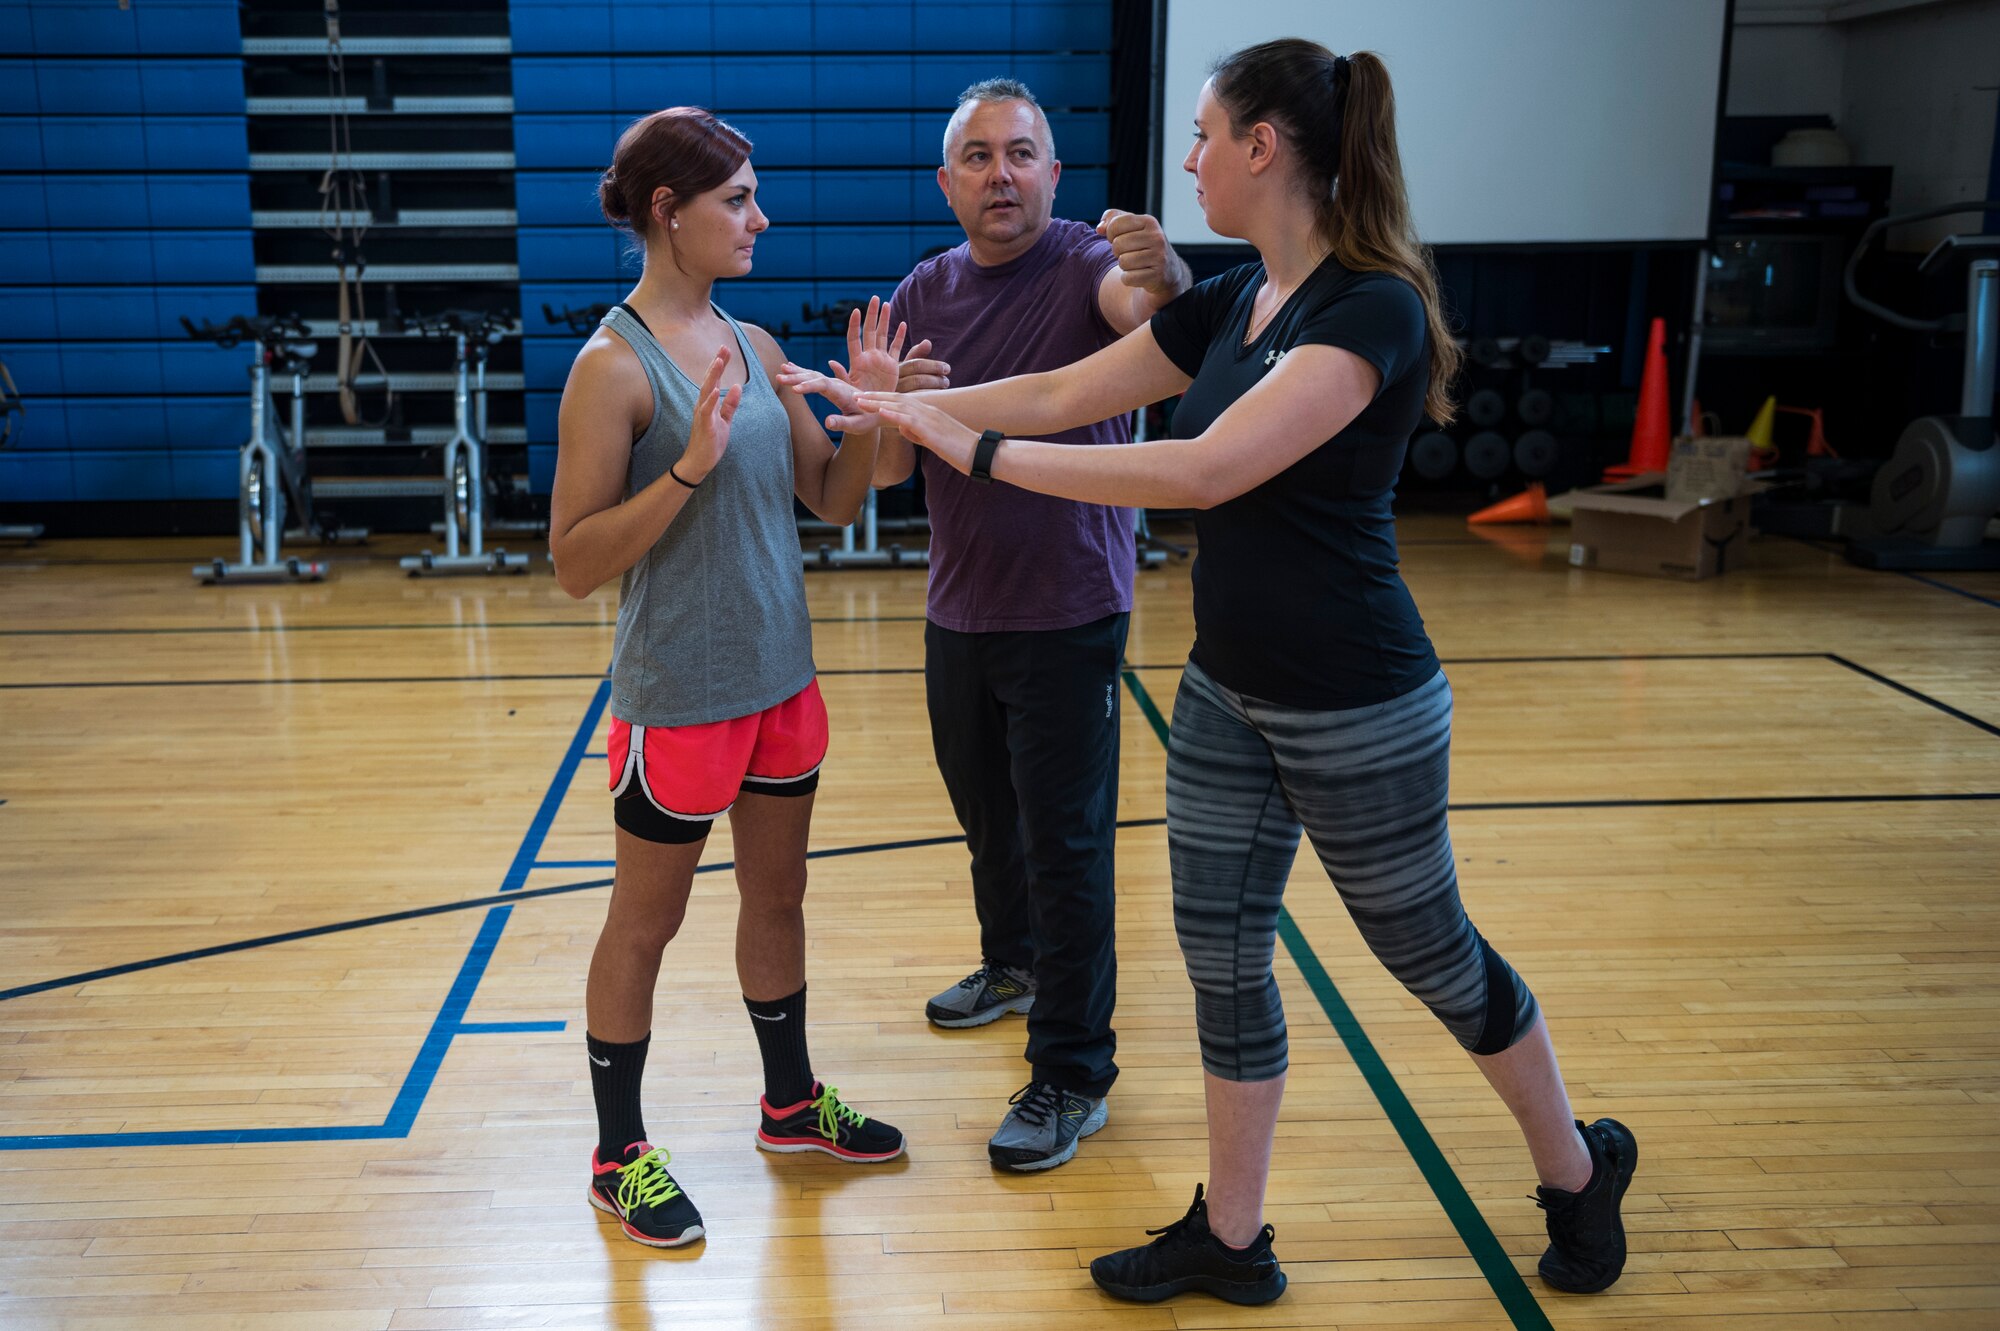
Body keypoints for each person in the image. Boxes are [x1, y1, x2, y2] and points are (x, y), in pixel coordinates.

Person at [835, 40, 1636, 1305]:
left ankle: (1575, 1168)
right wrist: (905, 410)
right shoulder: (1231, 300)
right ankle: (1233, 1231)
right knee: (1220, 958)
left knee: (1428, 952)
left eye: (1205, 134)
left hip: (1358, 699)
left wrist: (966, 446)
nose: (1190, 160)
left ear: (1265, 147)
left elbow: (1196, 471)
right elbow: (1059, 389)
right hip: (1224, 691)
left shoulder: (1365, 306)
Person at [782, 78, 1191, 1173]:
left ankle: (1072, 1070)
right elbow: (899, 461)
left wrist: (1162, 273)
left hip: (1068, 610)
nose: (1000, 173)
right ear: (946, 180)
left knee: (1065, 849)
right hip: (956, 606)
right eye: (977, 156)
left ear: (1052, 174)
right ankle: (1008, 964)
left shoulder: (1085, 265)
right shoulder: (925, 284)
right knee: (985, 816)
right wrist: (878, 401)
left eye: (1020, 153)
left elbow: (1142, 314)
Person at [548, 107, 907, 1250]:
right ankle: (618, 1152)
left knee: (780, 898)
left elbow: (836, 499)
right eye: (738, 199)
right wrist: (690, 470)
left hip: (780, 683)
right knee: (644, 925)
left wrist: (875, 411)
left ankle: (790, 1104)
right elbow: (571, 562)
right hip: (680, 694)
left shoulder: (752, 346)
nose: (762, 217)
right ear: (668, 212)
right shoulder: (611, 368)